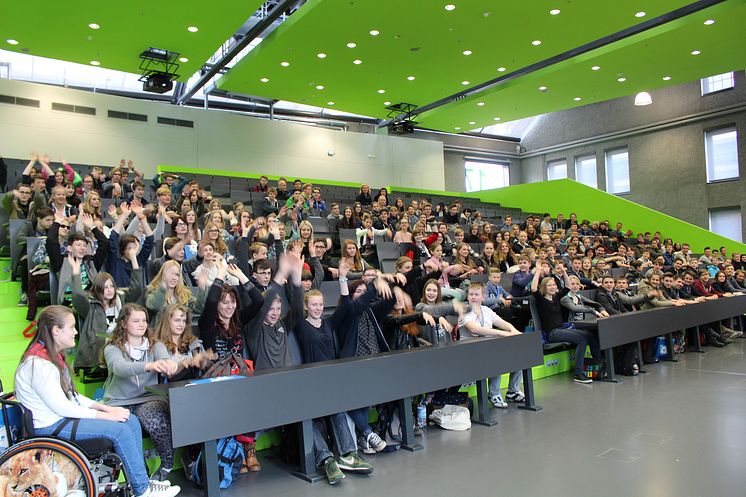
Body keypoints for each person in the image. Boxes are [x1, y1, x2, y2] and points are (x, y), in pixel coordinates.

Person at [14, 306, 181, 497]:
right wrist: (106, 415)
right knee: (120, 430)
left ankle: (138, 482)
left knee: (130, 421)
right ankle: (143, 490)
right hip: (50, 425)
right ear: (56, 331)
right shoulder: (40, 364)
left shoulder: (52, 358)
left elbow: (73, 397)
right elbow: (63, 407)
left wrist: (104, 407)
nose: (76, 332)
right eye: (72, 327)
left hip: (60, 419)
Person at [293, 262, 374, 483]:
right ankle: (327, 460)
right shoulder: (301, 325)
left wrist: (343, 279)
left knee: (338, 410)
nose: (318, 308)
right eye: (314, 305)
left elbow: (346, 307)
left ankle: (348, 455)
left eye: (320, 304)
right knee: (307, 417)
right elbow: (293, 303)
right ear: (307, 306)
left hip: (330, 382)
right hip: (311, 383)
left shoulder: (328, 324)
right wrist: (295, 275)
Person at [103, 304, 181, 483]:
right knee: (127, 427)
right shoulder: (112, 348)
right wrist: (148, 366)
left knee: (156, 418)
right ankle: (140, 474)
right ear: (123, 324)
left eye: (144, 320)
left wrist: (170, 365)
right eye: (136, 320)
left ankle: (167, 464)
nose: (142, 324)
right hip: (118, 401)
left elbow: (165, 359)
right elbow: (119, 368)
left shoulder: (156, 345)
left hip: (148, 398)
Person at [530, 262, 603, 384]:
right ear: (544, 287)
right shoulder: (541, 300)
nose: (552, 287)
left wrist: (563, 271)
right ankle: (578, 373)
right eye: (549, 285)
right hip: (552, 333)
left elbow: (568, 286)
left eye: (553, 285)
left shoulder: (557, 298)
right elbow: (533, 288)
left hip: (562, 329)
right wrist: (538, 271)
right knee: (582, 340)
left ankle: (599, 365)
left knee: (591, 335)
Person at [70, 251, 143, 371]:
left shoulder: (121, 300)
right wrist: (76, 270)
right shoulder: (91, 305)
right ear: (98, 289)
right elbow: (77, 295)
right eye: (105, 287)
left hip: (120, 346)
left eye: (111, 286)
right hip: (97, 350)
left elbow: (137, 288)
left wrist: (134, 260)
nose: (109, 290)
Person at [458, 282, 523, 407]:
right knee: (496, 359)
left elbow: (502, 323)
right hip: (469, 351)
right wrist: (502, 334)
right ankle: (494, 394)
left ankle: (513, 391)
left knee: (518, 355)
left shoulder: (487, 310)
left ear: (483, 297)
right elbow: (474, 329)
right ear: (467, 297)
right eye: (471, 294)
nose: (473, 297)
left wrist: (513, 330)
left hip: (488, 347)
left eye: (476, 294)